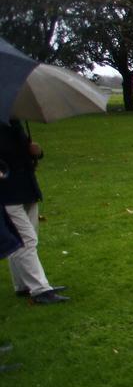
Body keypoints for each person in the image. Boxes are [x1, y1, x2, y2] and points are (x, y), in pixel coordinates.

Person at [0, 120, 68, 304]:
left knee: (22, 238)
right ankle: (40, 289)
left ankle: (23, 284)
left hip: (26, 187)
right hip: (7, 192)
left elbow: (25, 152)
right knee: (26, 239)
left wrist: (36, 152)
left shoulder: (13, 121)